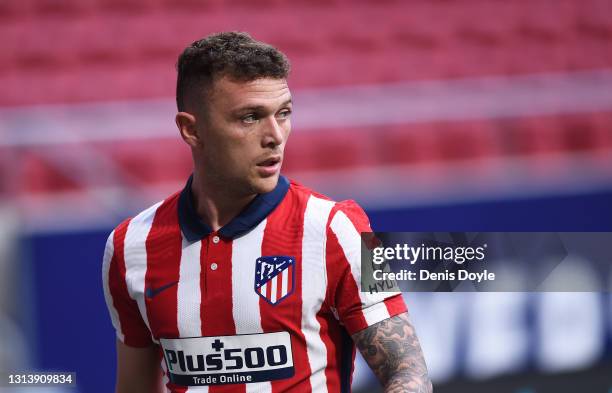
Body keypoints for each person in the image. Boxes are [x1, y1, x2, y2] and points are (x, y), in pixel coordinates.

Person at [102, 31, 432, 393]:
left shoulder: (341, 227)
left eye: (284, 113)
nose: (275, 135)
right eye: (250, 118)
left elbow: (409, 374)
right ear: (191, 129)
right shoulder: (129, 245)